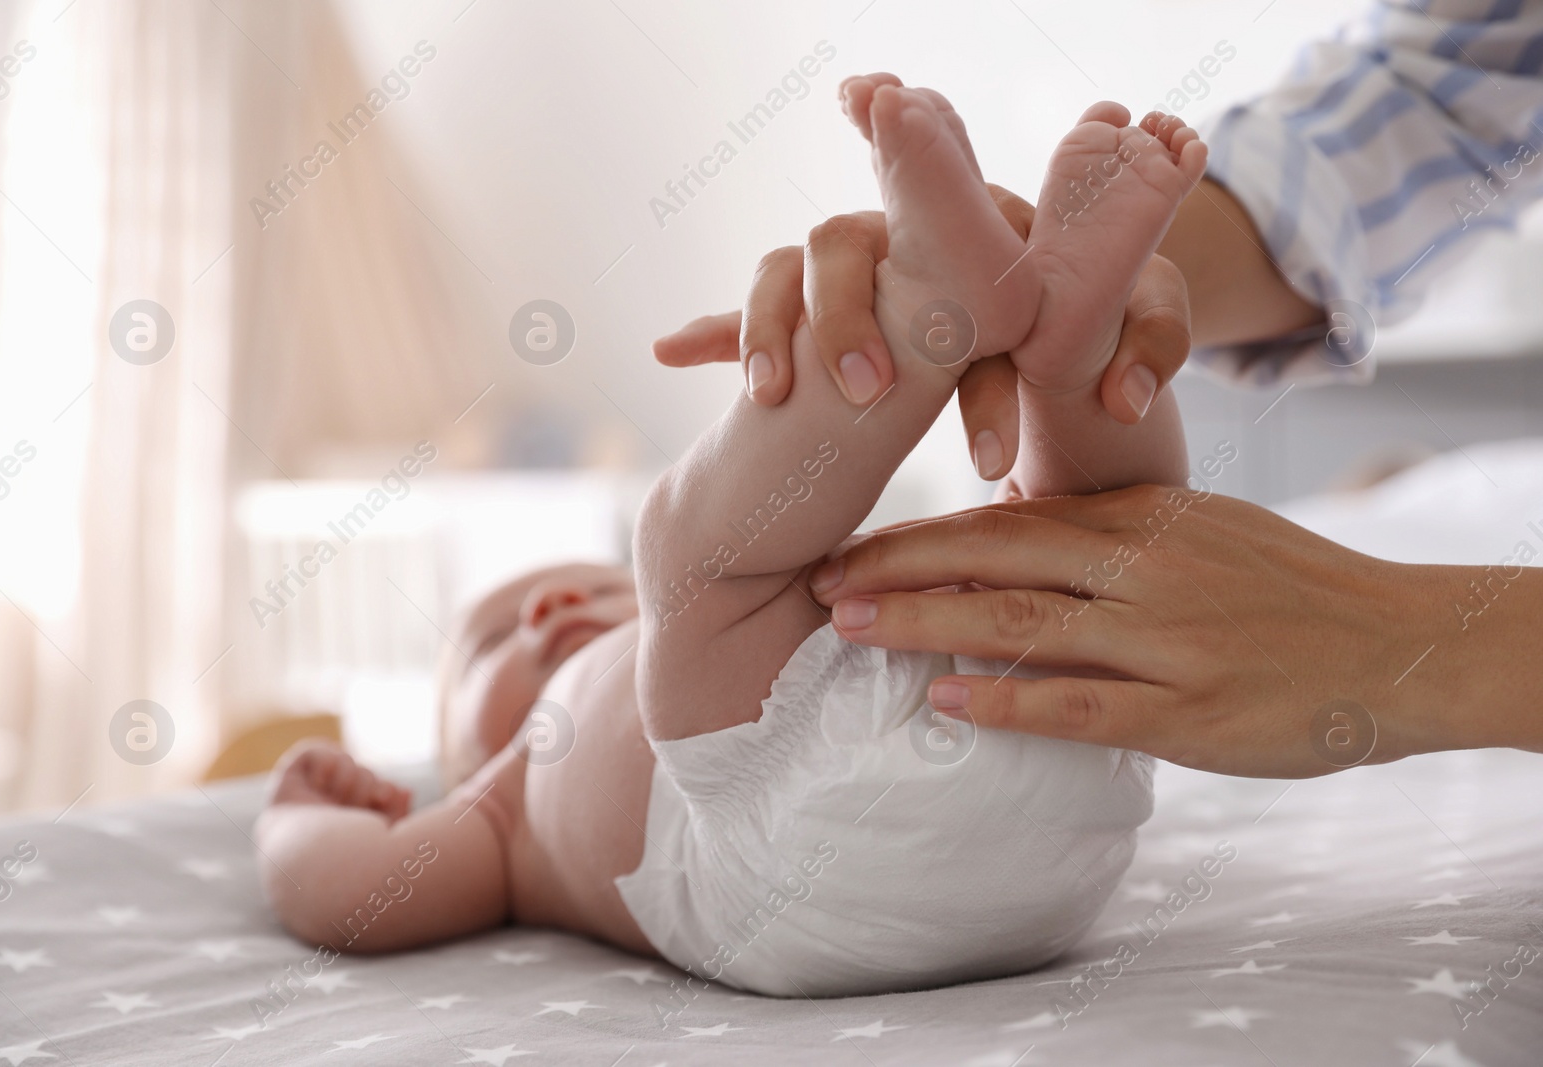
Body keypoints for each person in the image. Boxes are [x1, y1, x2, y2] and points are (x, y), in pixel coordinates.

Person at [252, 80, 1208, 997]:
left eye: (568, 604)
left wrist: (297, 825)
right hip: (814, 847)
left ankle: (1054, 343)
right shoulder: (502, 816)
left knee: (1085, 558)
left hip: (1048, 768)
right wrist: (299, 824)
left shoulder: (723, 659)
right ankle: (968, 329)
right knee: (682, 550)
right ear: (462, 764)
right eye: (490, 647)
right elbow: (361, 898)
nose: (547, 611)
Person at [655, 3, 1543, 780]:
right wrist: (1044, 276)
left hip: (827, 809)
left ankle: (978, 330)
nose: (534, 618)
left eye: (503, 622)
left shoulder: (555, 721)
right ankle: (1048, 344)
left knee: (690, 579)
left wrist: (1418, 641)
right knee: (1095, 539)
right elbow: (1450, 92)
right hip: (1058, 766)